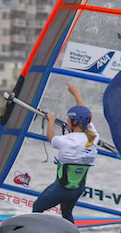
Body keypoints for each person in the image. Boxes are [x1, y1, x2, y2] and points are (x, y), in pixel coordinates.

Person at [31, 84, 99, 224]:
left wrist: (51, 121)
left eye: (68, 120)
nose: (67, 121)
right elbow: (85, 114)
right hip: (78, 189)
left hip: (61, 189)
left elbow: (51, 138)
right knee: (67, 213)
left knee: (37, 209)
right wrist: (76, 94)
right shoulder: (94, 137)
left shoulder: (68, 141)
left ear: (74, 122)